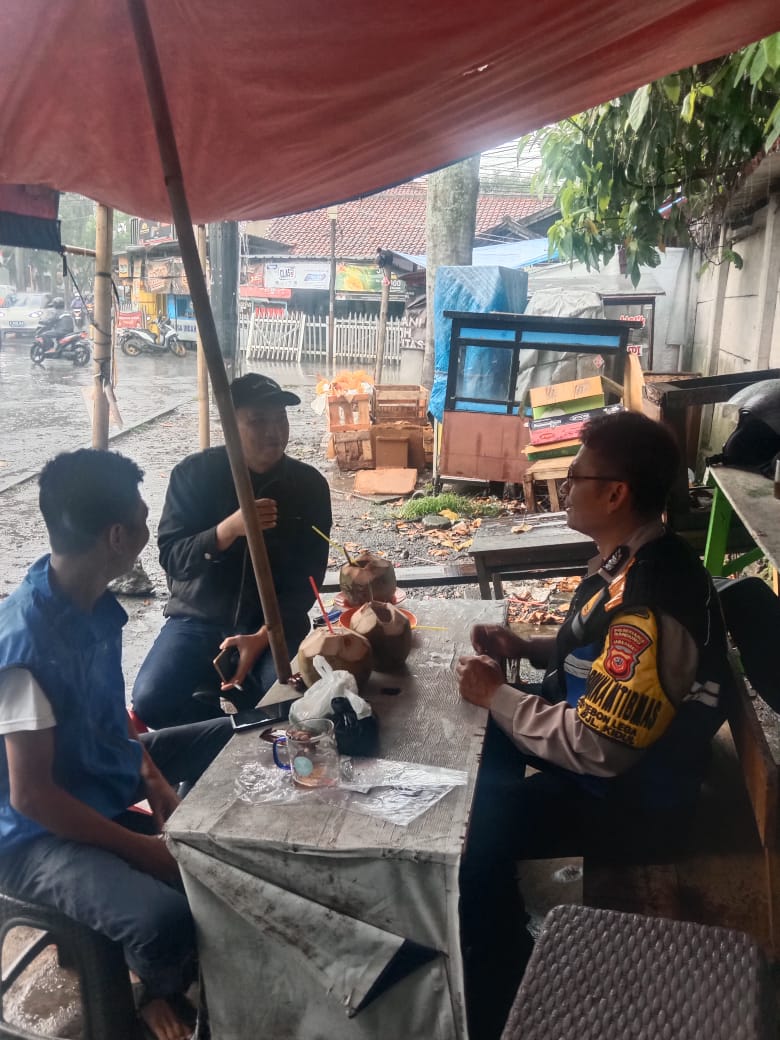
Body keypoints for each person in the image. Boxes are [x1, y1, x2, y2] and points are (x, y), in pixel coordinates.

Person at [456, 411, 732, 1039]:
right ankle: (499, 897)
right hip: (616, 756)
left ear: (615, 494)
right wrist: (528, 649)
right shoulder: (634, 559)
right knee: (479, 752)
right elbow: (598, 653)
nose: (565, 485)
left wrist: (499, 694)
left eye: (576, 476)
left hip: (636, 802)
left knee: (470, 841)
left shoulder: (652, 603)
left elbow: (598, 750)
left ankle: (506, 995)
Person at [0, 449, 233, 1040]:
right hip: (31, 835)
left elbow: (112, 714)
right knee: (165, 918)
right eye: (142, 515)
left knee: (230, 736)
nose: (149, 523)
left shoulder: (91, 603)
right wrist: (146, 851)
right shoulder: (25, 645)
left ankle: (146, 921)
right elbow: (32, 797)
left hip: (96, 770)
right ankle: (148, 989)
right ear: (116, 536)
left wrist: (154, 783)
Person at [133, 373, 332, 729]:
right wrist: (227, 531)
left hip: (272, 624)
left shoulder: (309, 486)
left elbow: (310, 578)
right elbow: (173, 558)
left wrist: (265, 635)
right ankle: (219, 734)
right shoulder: (193, 475)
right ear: (229, 425)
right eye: (257, 421)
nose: (274, 431)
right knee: (150, 700)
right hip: (197, 620)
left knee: (285, 703)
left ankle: (247, 730)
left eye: (280, 418)